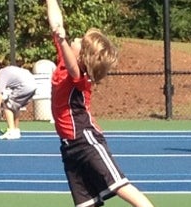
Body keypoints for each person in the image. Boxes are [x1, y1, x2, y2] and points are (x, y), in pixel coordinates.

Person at [46, 1, 154, 207]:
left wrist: (62, 41)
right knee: (86, 204)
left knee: (120, 185)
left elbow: (72, 67)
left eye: (78, 41)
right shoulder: (64, 60)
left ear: (83, 55)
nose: (74, 39)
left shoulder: (81, 77)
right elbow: (56, 23)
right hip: (69, 147)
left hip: (86, 140)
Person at [0, 66, 37, 140]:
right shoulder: (5, 70)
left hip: (25, 86)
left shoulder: (1, 77)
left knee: (6, 105)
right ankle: (16, 130)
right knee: (15, 106)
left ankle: (11, 131)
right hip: (33, 85)